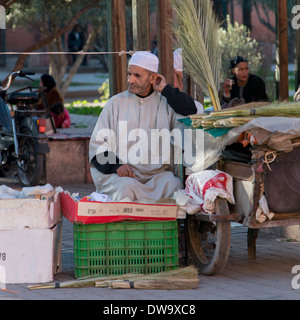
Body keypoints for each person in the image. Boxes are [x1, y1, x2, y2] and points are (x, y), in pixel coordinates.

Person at [89, 51, 202, 202]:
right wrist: (116, 166)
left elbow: (192, 110)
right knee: (124, 189)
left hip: (158, 177)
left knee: (174, 186)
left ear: (153, 78)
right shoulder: (115, 104)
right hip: (123, 177)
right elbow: (98, 147)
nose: (131, 80)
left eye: (137, 75)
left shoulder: (166, 103)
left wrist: (166, 90)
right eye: (130, 74)